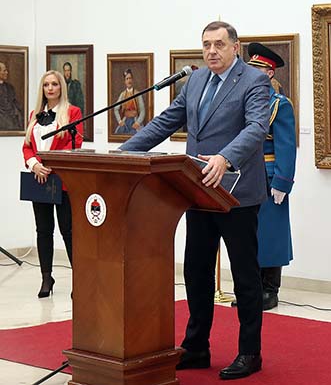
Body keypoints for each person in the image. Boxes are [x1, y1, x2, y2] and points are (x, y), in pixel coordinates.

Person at [120, 21, 270, 380]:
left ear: (235, 47)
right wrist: (123, 153)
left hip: (236, 193)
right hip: (198, 190)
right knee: (196, 271)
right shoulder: (196, 80)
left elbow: (256, 127)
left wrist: (225, 157)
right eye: (206, 45)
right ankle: (197, 347)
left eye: (219, 44)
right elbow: (164, 123)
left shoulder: (254, 80)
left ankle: (250, 352)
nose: (211, 51)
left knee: (245, 275)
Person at [243, 42, 296, 310]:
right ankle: (251, 289)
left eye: (258, 70)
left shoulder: (279, 105)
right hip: (245, 177)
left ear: (270, 73)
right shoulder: (244, 102)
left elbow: (286, 146)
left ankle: (269, 290)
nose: (251, 74)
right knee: (247, 234)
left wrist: (282, 182)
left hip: (269, 176)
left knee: (270, 234)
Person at [21, 70, 83, 298]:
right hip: (39, 179)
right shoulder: (35, 115)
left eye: (54, 84)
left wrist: (49, 165)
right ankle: (46, 277)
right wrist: (34, 164)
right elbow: (27, 146)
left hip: (62, 181)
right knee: (43, 231)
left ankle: (81, 279)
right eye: (46, 84)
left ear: (61, 87)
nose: (50, 88)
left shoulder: (73, 112)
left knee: (68, 231)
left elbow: (74, 145)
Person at [114, 68, 146, 135]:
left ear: (132, 79)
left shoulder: (137, 94)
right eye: (127, 79)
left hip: (135, 120)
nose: (129, 81)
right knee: (118, 133)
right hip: (125, 121)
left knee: (140, 135)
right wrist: (120, 121)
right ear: (125, 81)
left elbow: (142, 111)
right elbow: (116, 109)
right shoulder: (123, 95)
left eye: (130, 78)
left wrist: (138, 122)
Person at [0, 61, 24, 130]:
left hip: (11, 118)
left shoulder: (10, 87)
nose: (7, 73)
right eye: (4, 71)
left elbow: (15, 103)